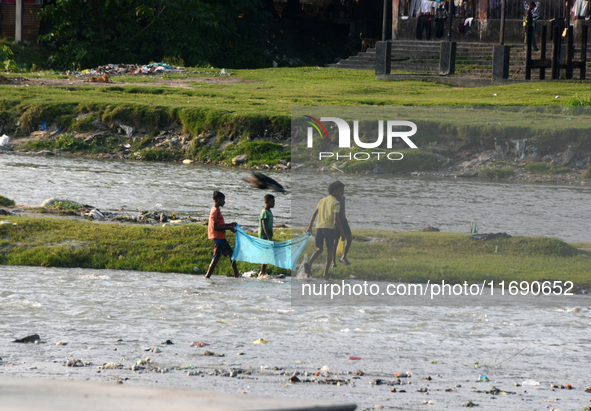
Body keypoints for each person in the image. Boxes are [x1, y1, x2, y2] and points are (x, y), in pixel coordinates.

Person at [305, 181, 344, 279]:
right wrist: (342, 231)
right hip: (328, 228)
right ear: (334, 191)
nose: (342, 193)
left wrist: (309, 227)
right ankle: (325, 273)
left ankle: (309, 263)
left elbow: (314, 214)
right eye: (340, 191)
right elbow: (336, 219)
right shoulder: (336, 202)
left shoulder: (322, 200)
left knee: (319, 249)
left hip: (319, 227)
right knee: (330, 251)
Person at [205, 190, 239, 279]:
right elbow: (216, 227)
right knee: (219, 257)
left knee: (225, 255)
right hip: (219, 238)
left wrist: (229, 224)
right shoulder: (215, 211)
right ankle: (236, 275)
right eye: (223, 200)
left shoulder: (216, 210)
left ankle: (236, 275)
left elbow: (220, 225)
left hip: (220, 237)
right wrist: (229, 228)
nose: (224, 202)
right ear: (219, 200)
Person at [332, 189, 352, 267]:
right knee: (335, 241)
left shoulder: (343, 198)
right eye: (340, 190)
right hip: (337, 222)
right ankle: (333, 261)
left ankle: (343, 257)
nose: (342, 192)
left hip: (344, 221)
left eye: (343, 190)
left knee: (349, 238)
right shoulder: (334, 200)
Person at [258, 194, 275, 277]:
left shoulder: (269, 211)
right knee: (266, 253)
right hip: (264, 236)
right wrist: (268, 237)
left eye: (274, 202)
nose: (274, 203)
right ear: (266, 202)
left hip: (267, 236)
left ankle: (262, 271)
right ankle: (262, 272)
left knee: (267, 253)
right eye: (272, 202)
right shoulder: (264, 212)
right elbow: (264, 225)